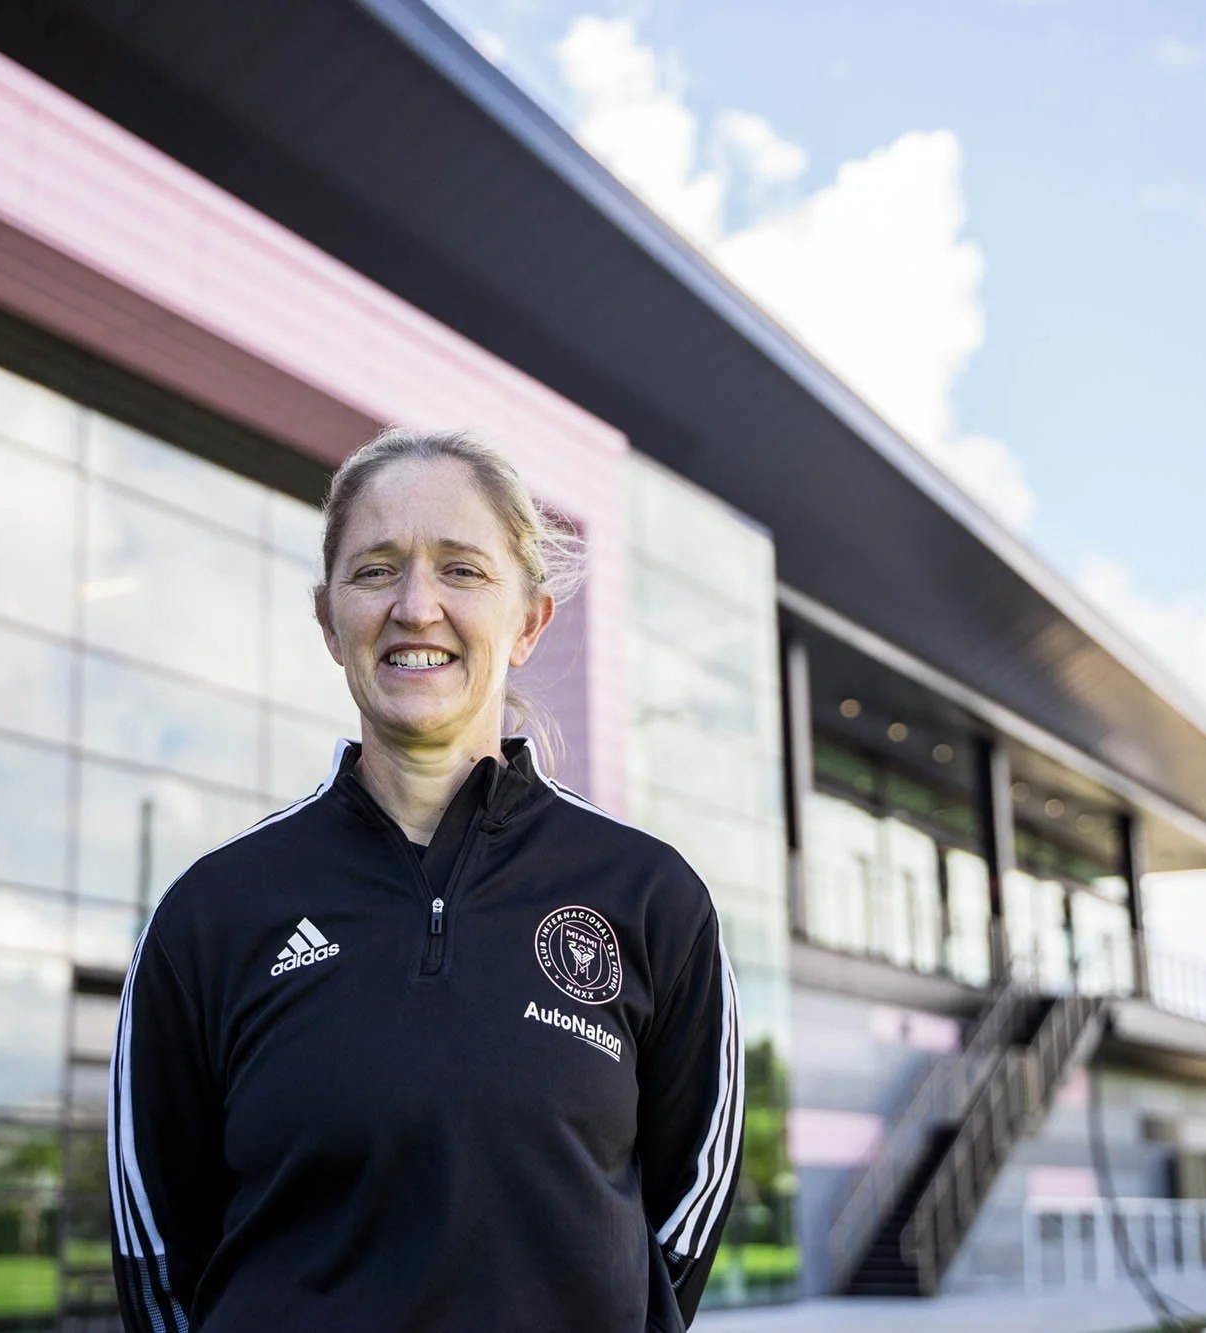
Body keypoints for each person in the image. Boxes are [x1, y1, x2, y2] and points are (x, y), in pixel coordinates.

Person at [109, 428, 743, 1332]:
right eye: (375, 570)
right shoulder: (211, 913)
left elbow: (684, 1211)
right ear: (329, 621)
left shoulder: (651, 897)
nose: (416, 606)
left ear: (529, 622)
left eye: (462, 570)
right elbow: (155, 1245)